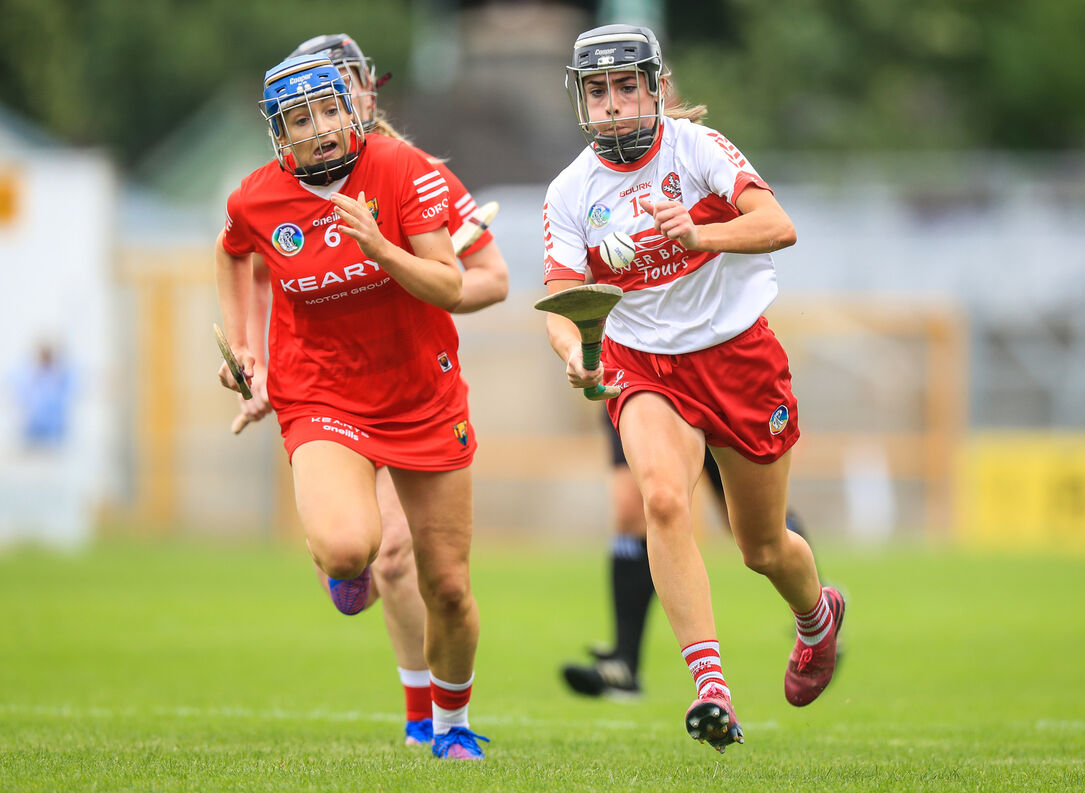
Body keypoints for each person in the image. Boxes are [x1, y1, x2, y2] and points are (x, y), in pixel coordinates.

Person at [542, 24, 845, 752]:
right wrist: (575, 352)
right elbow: (559, 290)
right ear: (581, 100)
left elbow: (778, 224)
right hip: (644, 364)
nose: (612, 105)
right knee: (664, 499)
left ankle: (818, 619)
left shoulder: (697, 150)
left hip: (739, 358)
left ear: (653, 88)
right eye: (597, 91)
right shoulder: (571, 189)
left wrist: (698, 236)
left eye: (624, 87)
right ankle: (711, 687)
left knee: (764, 547)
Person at [231, 34, 507, 753]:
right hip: (325, 391)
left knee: (439, 580)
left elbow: (485, 280)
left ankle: (440, 723)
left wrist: (396, 261)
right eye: (305, 109)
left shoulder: (411, 172)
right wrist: (252, 358)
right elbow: (252, 259)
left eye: (337, 95)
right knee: (370, 553)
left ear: (362, 92)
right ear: (282, 123)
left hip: (419, 388)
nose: (325, 118)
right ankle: (349, 578)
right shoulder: (266, 192)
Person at [561, 415, 808, 699]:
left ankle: (817, 608)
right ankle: (625, 662)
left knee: (757, 534)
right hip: (640, 380)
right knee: (637, 508)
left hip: (712, 384)